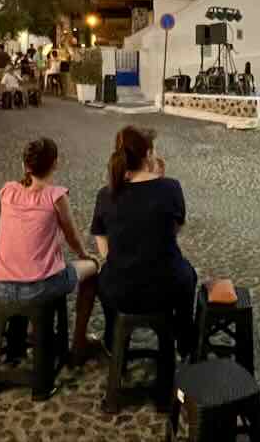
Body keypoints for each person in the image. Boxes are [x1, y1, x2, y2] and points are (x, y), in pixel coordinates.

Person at [0, 138, 102, 363]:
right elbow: (72, 236)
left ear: (25, 165)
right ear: (55, 164)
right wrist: (84, 255)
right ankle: (79, 342)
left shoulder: (7, 191)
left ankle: (24, 336)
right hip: (38, 287)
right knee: (94, 268)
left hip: (2, 285)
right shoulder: (56, 196)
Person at [90, 127, 198, 356]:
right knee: (189, 275)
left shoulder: (105, 194)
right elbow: (173, 230)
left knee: (105, 278)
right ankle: (184, 340)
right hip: (166, 288)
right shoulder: (170, 187)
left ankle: (112, 340)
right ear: (148, 154)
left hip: (120, 291)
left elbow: (105, 252)